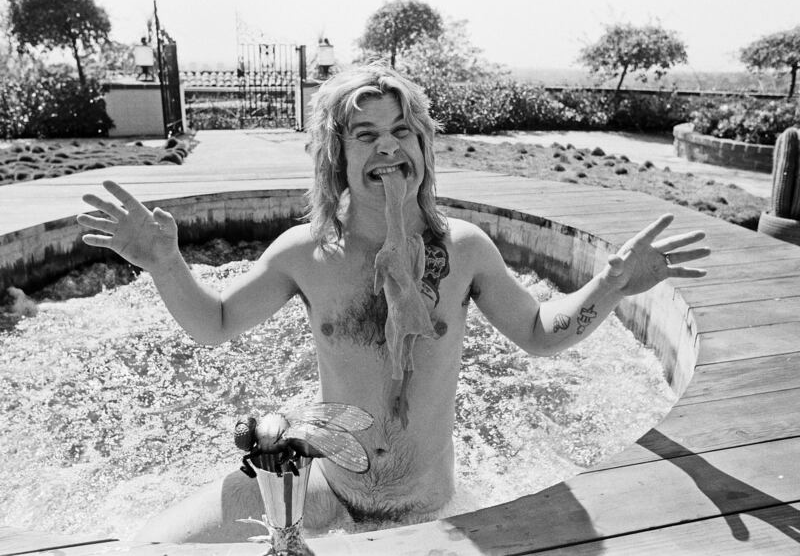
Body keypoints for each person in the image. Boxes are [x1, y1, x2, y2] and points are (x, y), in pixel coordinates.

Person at [77, 64, 709, 542]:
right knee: (145, 547)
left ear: (423, 150)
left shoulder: (464, 251)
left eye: (403, 132)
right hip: (323, 484)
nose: (388, 148)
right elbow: (214, 324)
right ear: (337, 156)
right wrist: (166, 264)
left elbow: (541, 332)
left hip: (428, 513)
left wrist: (612, 284)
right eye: (367, 134)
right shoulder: (305, 253)